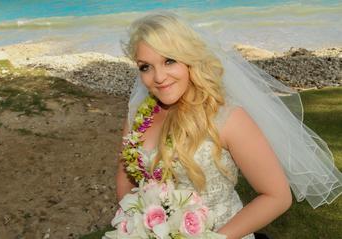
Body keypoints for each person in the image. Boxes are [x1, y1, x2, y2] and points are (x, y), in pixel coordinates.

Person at [114, 11, 342, 239]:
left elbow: (277, 197)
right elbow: (126, 181)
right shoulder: (137, 117)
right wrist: (137, 227)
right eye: (145, 67)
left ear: (189, 59)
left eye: (169, 61)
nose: (159, 77)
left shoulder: (227, 118)